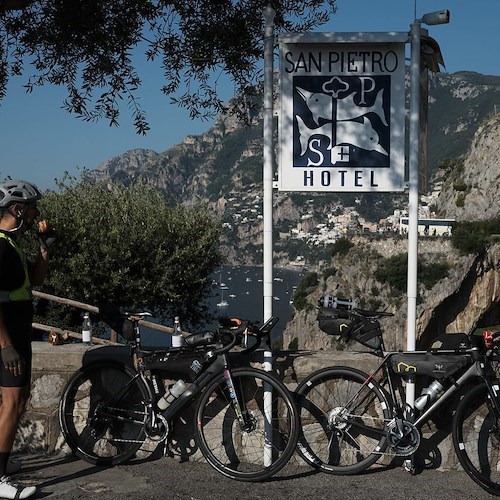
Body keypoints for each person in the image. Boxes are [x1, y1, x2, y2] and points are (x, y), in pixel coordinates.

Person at [0, 180, 54, 499]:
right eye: (33, 208)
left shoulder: (13, 242)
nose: (36, 214)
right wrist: (6, 346)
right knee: (12, 403)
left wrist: (45, 247)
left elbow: (35, 280)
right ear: (18, 209)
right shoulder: (1, 246)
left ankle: (2, 461)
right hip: (7, 341)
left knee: (16, 403)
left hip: (18, 335)